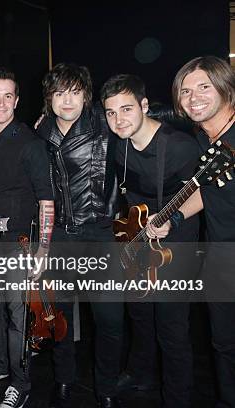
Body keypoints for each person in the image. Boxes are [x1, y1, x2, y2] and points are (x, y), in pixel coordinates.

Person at [101, 74, 200, 408]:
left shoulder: (178, 146)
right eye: (111, 113)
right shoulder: (120, 144)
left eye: (126, 109)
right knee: (140, 315)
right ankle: (140, 373)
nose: (119, 119)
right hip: (139, 242)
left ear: (144, 106)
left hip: (177, 245)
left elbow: (203, 192)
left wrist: (174, 218)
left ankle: (177, 398)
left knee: (171, 330)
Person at [148, 55, 235, 408]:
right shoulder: (204, 138)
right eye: (185, 91)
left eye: (203, 86)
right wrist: (174, 218)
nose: (193, 96)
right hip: (221, 256)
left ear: (226, 87)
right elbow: (203, 190)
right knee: (224, 343)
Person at [35, 63, 123, 408]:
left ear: (87, 95)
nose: (66, 100)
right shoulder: (40, 135)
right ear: (49, 98)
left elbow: (146, 117)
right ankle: (64, 380)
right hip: (59, 236)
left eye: (74, 92)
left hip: (100, 234)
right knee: (60, 319)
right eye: (59, 93)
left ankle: (107, 388)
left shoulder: (105, 122)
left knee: (109, 319)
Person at [0, 67, 54, 408]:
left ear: (16, 100)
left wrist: (43, 249)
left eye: (8, 96)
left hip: (20, 244)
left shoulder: (32, 145)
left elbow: (47, 200)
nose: (0, 102)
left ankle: (21, 382)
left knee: (19, 318)